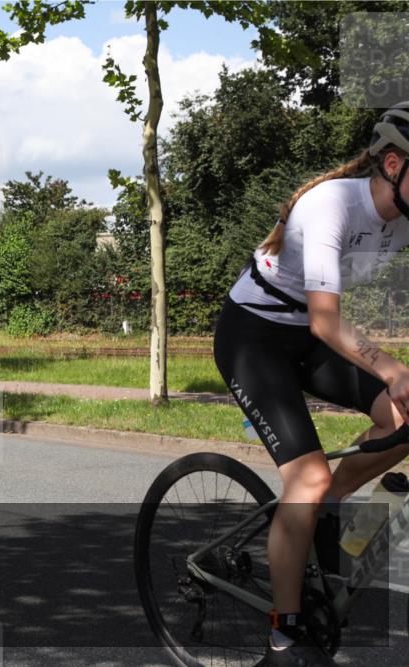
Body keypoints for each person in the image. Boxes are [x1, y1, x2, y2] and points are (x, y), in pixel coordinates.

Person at [212, 102, 409, 667]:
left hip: (309, 337)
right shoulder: (331, 205)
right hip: (254, 336)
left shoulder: (403, 214)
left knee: (400, 422)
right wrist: (391, 367)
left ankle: (328, 506)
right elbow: (326, 320)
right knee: (307, 478)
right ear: (393, 163)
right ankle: (281, 636)